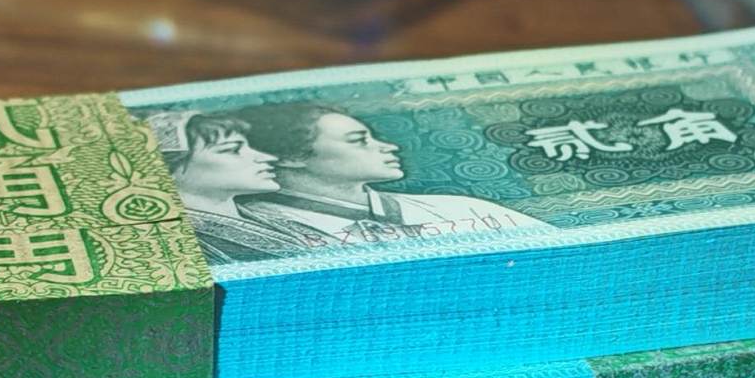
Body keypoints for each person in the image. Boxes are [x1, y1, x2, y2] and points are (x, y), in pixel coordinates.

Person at [229, 103, 545, 243]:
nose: (388, 147)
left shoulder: (463, 209)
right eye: (359, 140)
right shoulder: (254, 227)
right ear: (291, 157)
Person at [148, 111, 325, 263]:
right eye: (232, 149)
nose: (266, 157)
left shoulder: (273, 217)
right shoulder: (176, 245)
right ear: (167, 168)